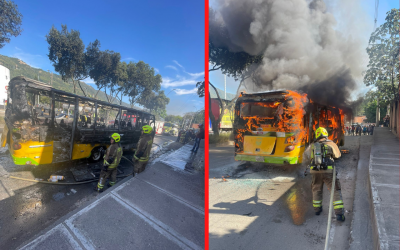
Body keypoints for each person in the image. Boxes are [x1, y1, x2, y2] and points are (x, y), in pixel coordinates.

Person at [310, 127, 345, 222]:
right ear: (326, 134)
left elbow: (307, 158)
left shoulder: (312, 145)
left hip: (315, 171)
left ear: (317, 135)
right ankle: (339, 214)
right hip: (328, 171)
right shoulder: (331, 144)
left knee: (316, 188)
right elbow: (338, 155)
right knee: (334, 190)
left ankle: (317, 210)